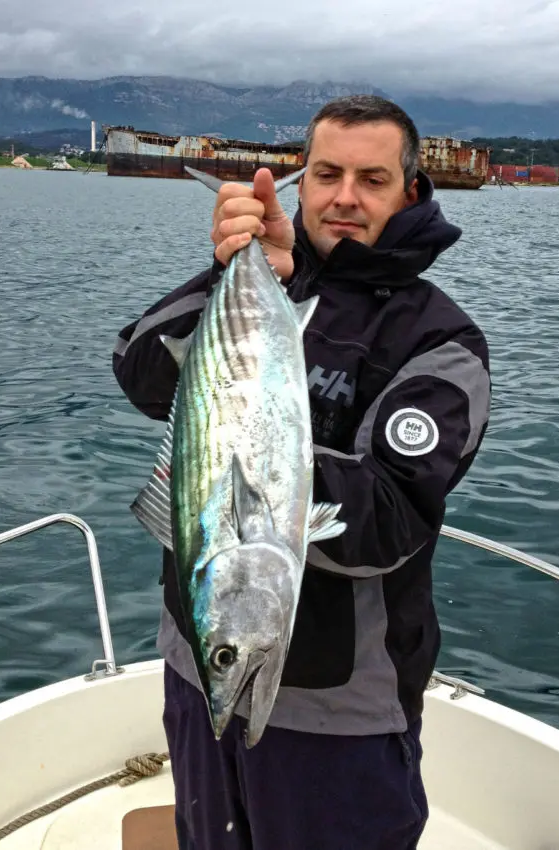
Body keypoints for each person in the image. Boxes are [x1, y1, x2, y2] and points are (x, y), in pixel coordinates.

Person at [112, 94, 491, 850]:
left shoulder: (440, 341)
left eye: (371, 179)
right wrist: (237, 271)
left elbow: (387, 520)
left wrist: (246, 454)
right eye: (326, 174)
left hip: (338, 713)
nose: (344, 197)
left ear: (410, 191)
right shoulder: (262, 288)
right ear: (302, 183)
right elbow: (140, 369)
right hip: (201, 671)